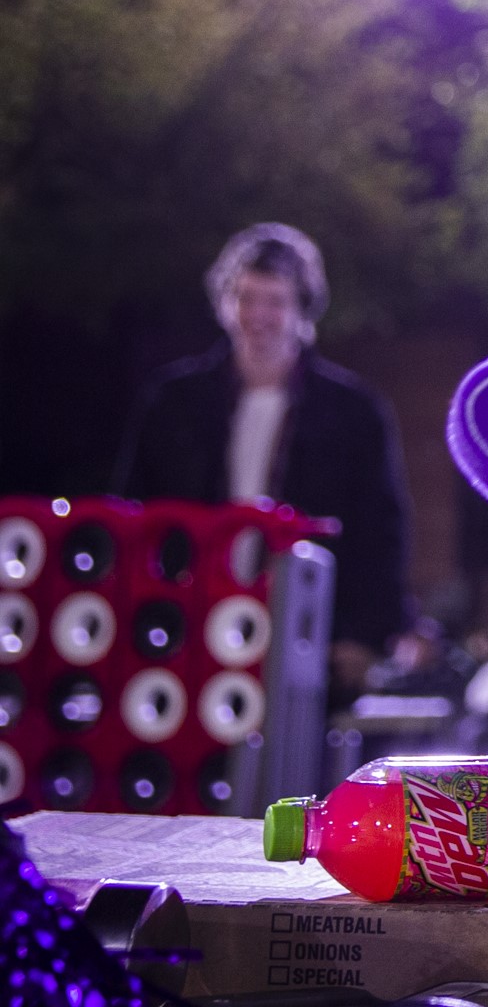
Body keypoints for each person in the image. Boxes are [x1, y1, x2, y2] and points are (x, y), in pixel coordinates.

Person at [114, 223, 411, 691]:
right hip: (188, 627)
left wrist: (366, 635)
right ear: (224, 304)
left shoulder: (354, 413)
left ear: (302, 311)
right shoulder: (172, 402)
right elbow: (133, 515)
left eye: (275, 301)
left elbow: (381, 530)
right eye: (246, 298)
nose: (258, 315)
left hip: (306, 633)